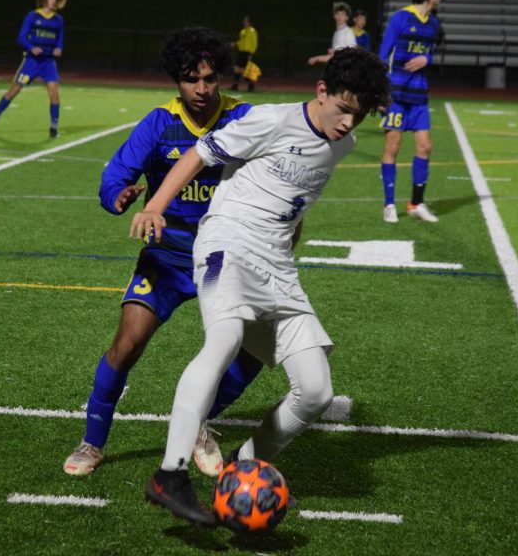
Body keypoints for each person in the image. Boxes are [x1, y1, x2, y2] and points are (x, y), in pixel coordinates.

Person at [132, 47, 390, 526]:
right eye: (344, 109)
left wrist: (295, 227)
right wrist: (156, 207)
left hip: (278, 266)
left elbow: (298, 192)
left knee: (314, 391)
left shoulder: (344, 144)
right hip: (227, 241)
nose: (349, 123)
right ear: (322, 92)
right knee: (225, 339)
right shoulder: (271, 120)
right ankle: (170, 474)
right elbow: (198, 154)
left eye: (360, 115)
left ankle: (239, 470)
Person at [63, 27, 265, 478]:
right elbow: (113, 177)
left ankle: (197, 423)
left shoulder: (245, 117)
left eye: (210, 78)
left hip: (227, 260)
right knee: (127, 344)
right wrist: (117, 196)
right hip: (169, 259)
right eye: (190, 79)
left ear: (220, 78)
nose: (201, 89)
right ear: (176, 79)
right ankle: (92, 442)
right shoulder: (158, 123)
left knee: (256, 349)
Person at [377, 0, 444, 224]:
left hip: (420, 96)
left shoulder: (434, 24)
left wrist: (426, 58)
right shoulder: (400, 19)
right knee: (393, 147)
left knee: (425, 146)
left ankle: (416, 203)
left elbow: (431, 53)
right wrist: (382, 94)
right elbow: (383, 55)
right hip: (397, 95)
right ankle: (389, 204)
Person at [0, 0, 66, 138]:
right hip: (32, 62)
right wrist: (31, 47)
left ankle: (53, 128)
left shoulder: (58, 20)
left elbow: (60, 39)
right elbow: (21, 37)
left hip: (48, 63)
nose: (53, 0)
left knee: (54, 93)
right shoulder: (32, 16)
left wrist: (59, 48)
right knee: (14, 90)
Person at [230, 16, 258, 92]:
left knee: (244, 70)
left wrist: (251, 53)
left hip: (247, 53)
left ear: (249, 23)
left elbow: (254, 43)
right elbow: (241, 41)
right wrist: (235, 44)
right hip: (240, 52)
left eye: (246, 22)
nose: (244, 23)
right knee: (236, 68)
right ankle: (236, 85)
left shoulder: (252, 31)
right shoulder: (242, 31)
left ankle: (250, 85)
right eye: (244, 21)